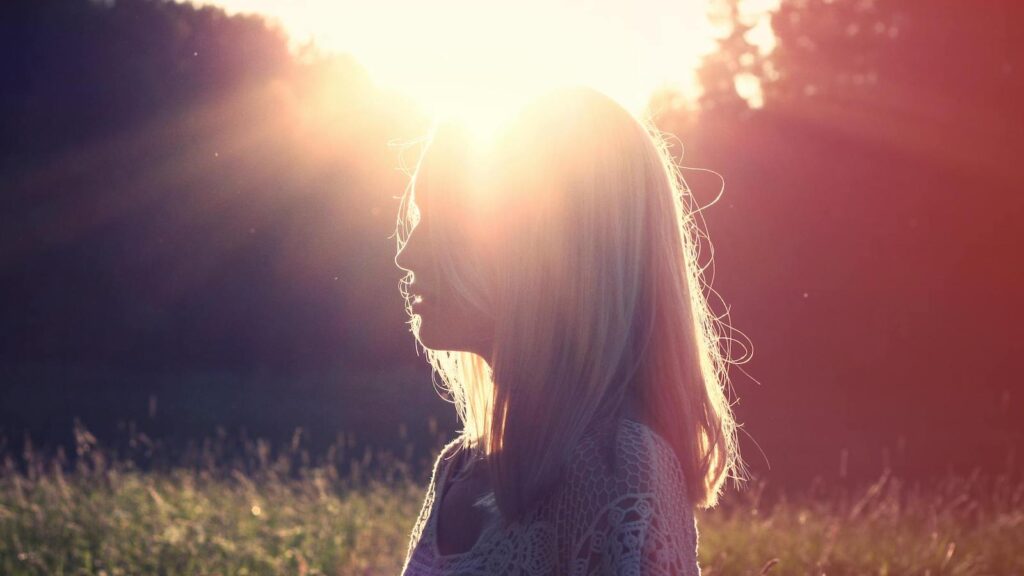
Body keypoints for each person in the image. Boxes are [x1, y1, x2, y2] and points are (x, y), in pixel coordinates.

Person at [393, 86, 748, 575]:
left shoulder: (619, 468)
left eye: (441, 223)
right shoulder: (459, 468)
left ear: (542, 247)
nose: (406, 254)